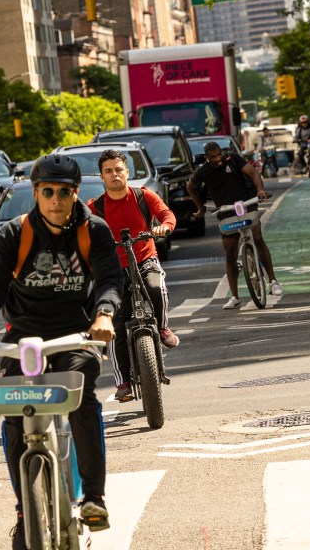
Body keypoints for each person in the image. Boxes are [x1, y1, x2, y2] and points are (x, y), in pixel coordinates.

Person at [0, 154, 122, 550]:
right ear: (36, 193)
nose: (55, 200)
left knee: (82, 399)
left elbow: (110, 279)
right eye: (48, 192)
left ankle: (93, 497)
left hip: (77, 334)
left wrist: (104, 314)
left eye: (64, 192)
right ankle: (24, 509)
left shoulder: (94, 230)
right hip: (24, 337)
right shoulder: (16, 233)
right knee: (14, 414)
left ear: (75, 193)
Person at [87, 149, 178, 402]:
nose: (114, 174)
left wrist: (164, 227)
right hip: (112, 269)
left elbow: (167, 215)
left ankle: (162, 328)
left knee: (156, 287)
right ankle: (123, 382)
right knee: (116, 322)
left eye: (118, 169)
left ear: (127, 172)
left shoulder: (143, 196)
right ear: (102, 176)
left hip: (145, 259)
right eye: (108, 171)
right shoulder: (95, 207)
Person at [187, 141, 283, 309]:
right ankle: (235, 297)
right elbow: (191, 187)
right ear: (206, 157)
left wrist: (260, 190)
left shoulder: (233, 159)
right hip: (226, 211)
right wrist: (200, 208)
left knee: (257, 237)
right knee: (230, 253)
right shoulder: (203, 171)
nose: (218, 159)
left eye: (219, 154)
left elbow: (253, 172)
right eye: (213, 157)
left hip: (247, 203)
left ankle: (273, 281)